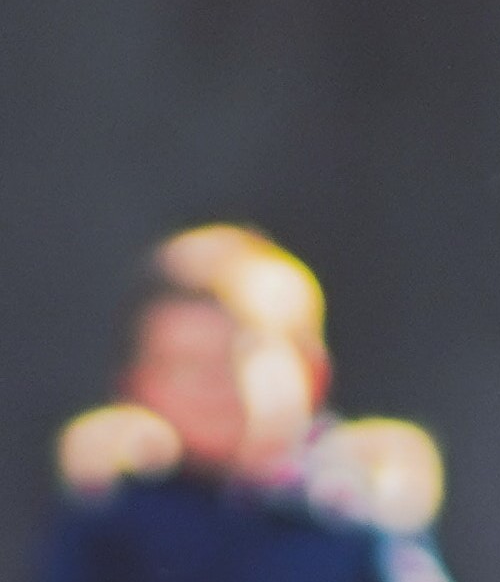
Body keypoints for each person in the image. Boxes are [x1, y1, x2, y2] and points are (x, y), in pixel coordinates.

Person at [39, 224, 449, 582]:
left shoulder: (353, 519)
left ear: (311, 370)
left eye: (239, 358)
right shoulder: (111, 524)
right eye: (182, 365)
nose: (211, 385)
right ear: (136, 387)